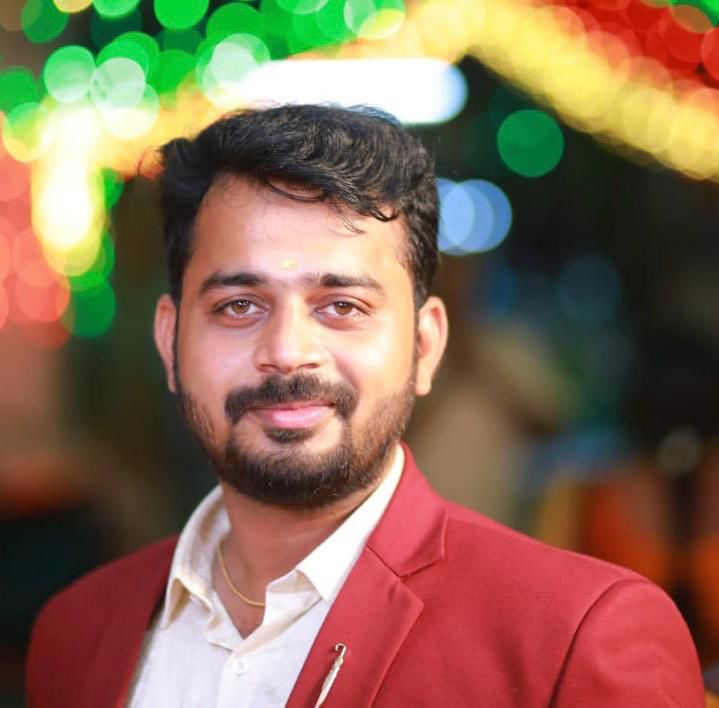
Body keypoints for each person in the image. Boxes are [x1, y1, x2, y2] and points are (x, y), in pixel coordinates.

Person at [26, 104, 704, 707]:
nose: (287, 352)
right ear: (170, 341)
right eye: (239, 306)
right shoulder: (77, 631)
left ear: (424, 345)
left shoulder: (571, 638)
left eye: (342, 307)